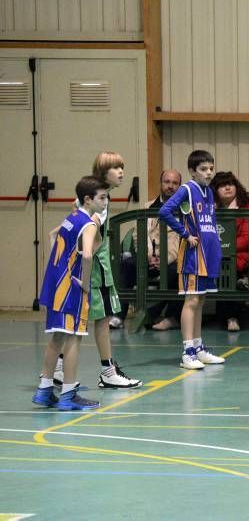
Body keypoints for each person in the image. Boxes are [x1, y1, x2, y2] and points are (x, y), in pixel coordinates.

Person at [33, 176, 106, 410]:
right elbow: (87, 254)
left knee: (57, 338)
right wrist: (84, 283)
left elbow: (52, 236)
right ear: (88, 199)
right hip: (70, 288)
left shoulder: (71, 217)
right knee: (74, 337)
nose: (106, 202)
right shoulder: (89, 223)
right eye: (102, 198)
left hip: (53, 283)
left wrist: (60, 265)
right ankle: (68, 394)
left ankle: (44, 390)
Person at [159, 150, 226, 369]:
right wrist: (185, 234)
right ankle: (187, 351)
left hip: (209, 253)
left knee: (202, 300)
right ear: (192, 171)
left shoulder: (208, 192)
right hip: (193, 256)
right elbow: (165, 211)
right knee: (192, 300)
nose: (208, 173)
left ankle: (198, 347)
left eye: (211, 169)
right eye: (203, 169)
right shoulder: (187, 189)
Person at [85, 152, 142, 389]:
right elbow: (90, 233)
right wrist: (90, 255)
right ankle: (108, 372)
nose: (121, 172)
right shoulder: (101, 201)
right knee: (101, 320)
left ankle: (56, 371)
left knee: (76, 323)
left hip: (93, 268)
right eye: (116, 168)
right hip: (95, 270)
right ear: (103, 171)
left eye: (122, 167)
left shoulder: (90, 196)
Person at [116, 169, 182, 331]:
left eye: (175, 183)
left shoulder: (184, 210)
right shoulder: (147, 207)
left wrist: (164, 260)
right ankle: (118, 315)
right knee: (127, 265)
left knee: (180, 271)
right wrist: (147, 257)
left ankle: (168, 316)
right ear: (160, 184)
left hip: (171, 259)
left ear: (180, 187)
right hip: (148, 258)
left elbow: (178, 240)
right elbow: (139, 235)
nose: (170, 186)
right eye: (167, 182)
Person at [210, 171, 249, 332]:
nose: (228, 187)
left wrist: (224, 247)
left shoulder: (247, 207)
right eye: (222, 185)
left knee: (228, 267)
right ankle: (228, 317)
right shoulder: (209, 209)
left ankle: (232, 317)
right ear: (215, 190)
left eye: (231, 183)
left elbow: (246, 238)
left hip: (240, 255)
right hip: (215, 254)